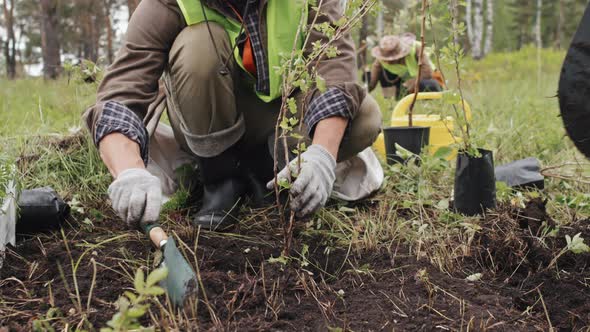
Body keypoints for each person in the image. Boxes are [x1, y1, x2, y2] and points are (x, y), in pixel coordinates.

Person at [83, 0, 383, 234]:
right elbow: (121, 92)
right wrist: (130, 171)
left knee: (364, 118)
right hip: (207, 114)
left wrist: (321, 154)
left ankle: (270, 176)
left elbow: (334, 68)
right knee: (199, 48)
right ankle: (220, 179)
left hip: (279, 119)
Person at [368, 33, 444, 99]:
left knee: (428, 85)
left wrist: (412, 82)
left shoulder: (415, 49)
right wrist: (367, 89)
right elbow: (373, 77)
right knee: (384, 74)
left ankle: (425, 99)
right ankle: (390, 99)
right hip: (404, 83)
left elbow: (427, 73)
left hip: (426, 79)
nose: (388, 62)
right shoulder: (381, 57)